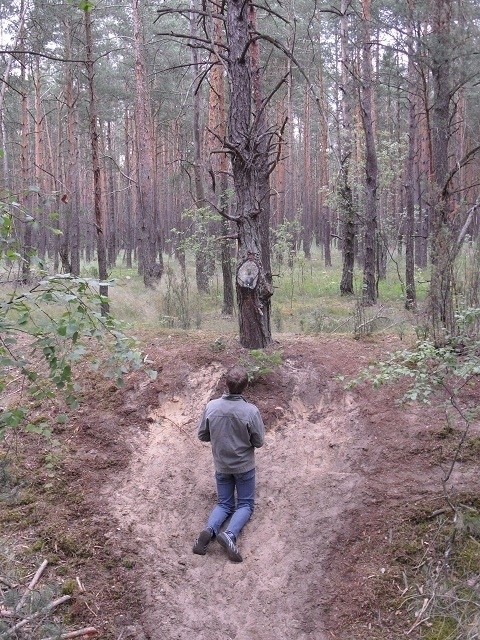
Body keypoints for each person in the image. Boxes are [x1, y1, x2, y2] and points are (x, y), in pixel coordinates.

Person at [193, 365, 265, 563]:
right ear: (245, 386)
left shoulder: (211, 407)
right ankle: (230, 535)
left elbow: (202, 435)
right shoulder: (251, 411)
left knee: (224, 504)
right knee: (245, 504)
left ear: (225, 384)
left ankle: (209, 530)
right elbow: (258, 442)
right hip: (244, 466)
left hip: (221, 465)